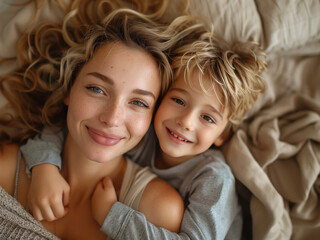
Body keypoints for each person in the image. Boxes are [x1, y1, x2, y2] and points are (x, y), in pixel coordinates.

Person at [0, 7, 199, 239]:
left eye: (138, 103)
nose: (112, 118)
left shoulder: (158, 213)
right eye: (97, 89)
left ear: (152, 116)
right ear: (69, 90)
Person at [20, 16, 267, 240]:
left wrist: (112, 216)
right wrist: (44, 167)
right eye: (179, 101)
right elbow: (62, 129)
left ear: (222, 135)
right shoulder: (147, 133)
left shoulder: (213, 178)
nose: (186, 122)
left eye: (208, 118)